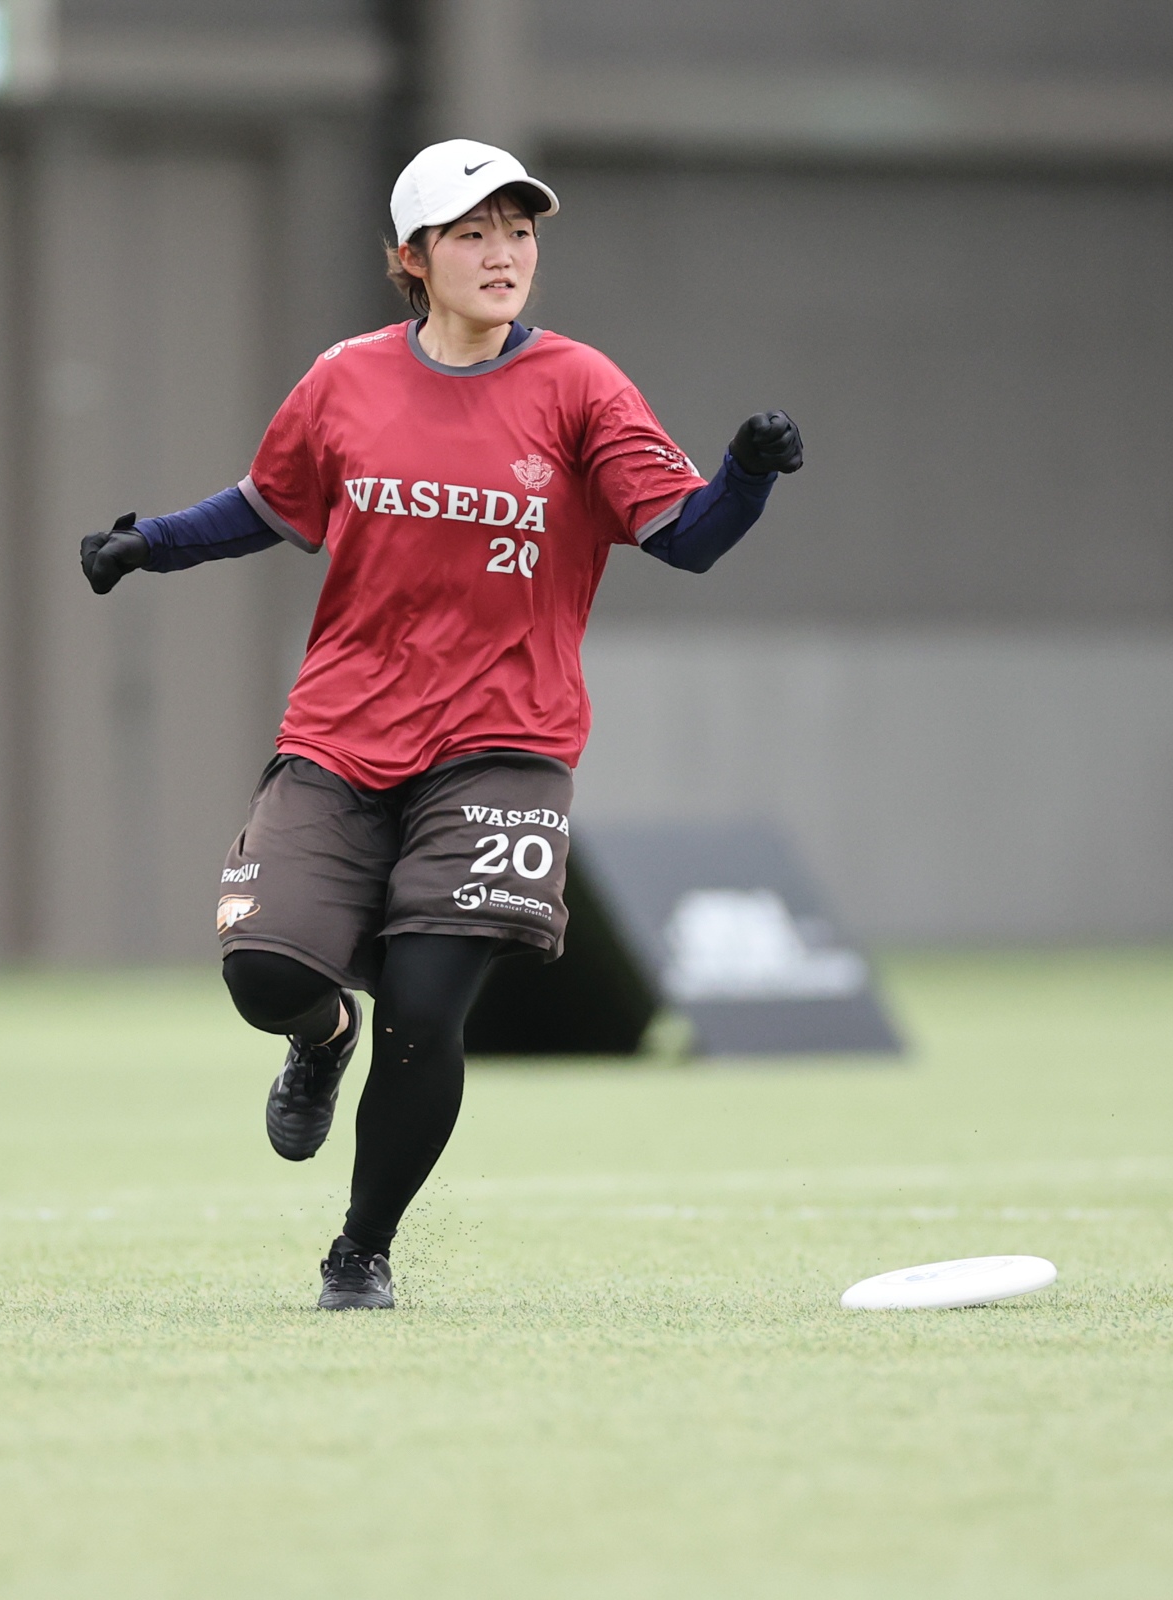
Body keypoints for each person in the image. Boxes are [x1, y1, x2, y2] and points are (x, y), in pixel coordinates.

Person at [79, 138, 804, 1310]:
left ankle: (360, 1253)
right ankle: (321, 1036)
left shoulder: (580, 385)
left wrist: (747, 475)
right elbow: (269, 504)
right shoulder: (345, 380)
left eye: (519, 231)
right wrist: (148, 543)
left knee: (423, 1011)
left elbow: (689, 538)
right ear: (411, 258)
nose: (503, 253)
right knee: (264, 969)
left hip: (505, 748)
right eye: (472, 234)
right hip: (341, 734)